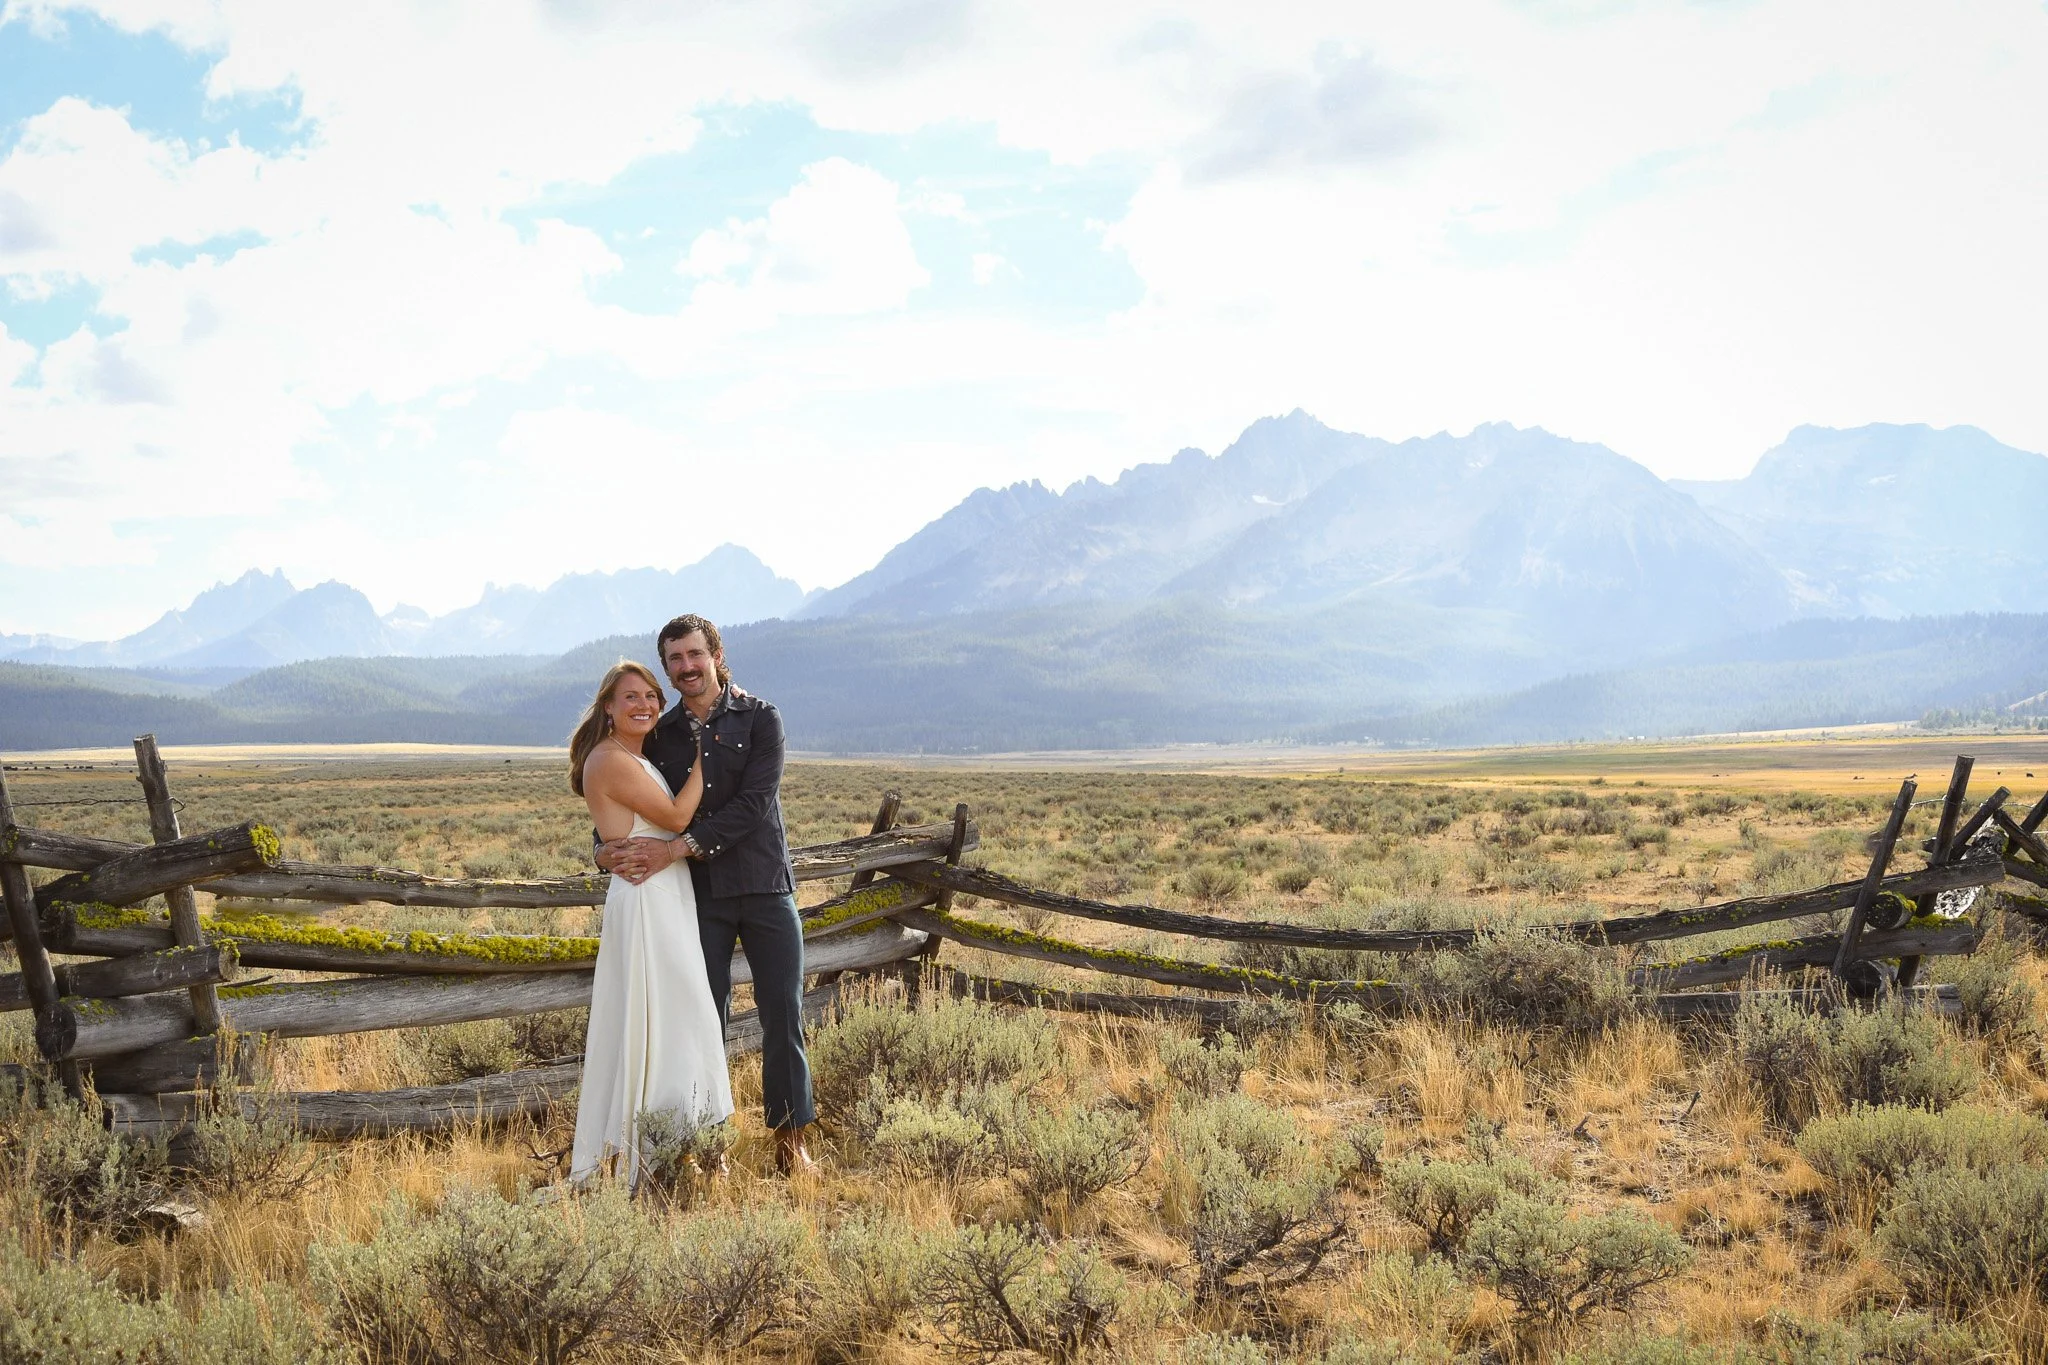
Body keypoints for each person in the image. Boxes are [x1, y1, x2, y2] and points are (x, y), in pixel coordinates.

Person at [599, 614, 817, 1174]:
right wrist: (602, 852)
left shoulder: (762, 718)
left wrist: (678, 848)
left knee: (783, 1015)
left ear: (716, 655)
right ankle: (708, 1148)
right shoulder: (661, 735)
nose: (686, 667)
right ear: (668, 669)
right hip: (701, 898)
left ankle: (791, 1144)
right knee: (701, 1020)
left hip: (767, 886)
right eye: (675, 659)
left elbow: (755, 804)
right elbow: (620, 803)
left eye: (695, 654)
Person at [565, 660, 734, 1189]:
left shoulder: (630, 757)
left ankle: (674, 1148)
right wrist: (710, 755)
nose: (643, 705)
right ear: (608, 707)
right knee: (660, 1018)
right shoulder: (611, 760)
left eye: (651, 697)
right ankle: (650, 1152)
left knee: (676, 1019)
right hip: (645, 902)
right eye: (630, 697)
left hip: (664, 898)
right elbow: (678, 819)